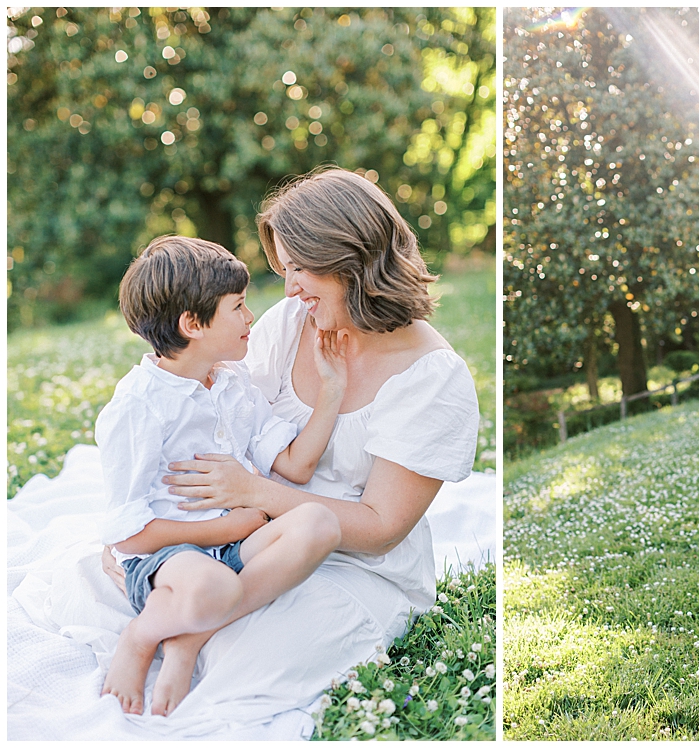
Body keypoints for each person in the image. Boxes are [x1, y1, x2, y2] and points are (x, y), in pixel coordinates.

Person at [100, 167, 480, 728]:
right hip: (249, 537)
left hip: (355, 565)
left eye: (301, 268)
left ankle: (187, 630)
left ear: (351, 259)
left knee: (244, 663)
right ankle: (182, 613)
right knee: (98, 580)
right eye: (285, 269)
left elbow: (381, 529)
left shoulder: (433, 377)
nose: (290, 287)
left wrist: (255, 493)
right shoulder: (291, 322)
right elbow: (225, 421)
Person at [96, 235, 348, 716]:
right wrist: (230, 526)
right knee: (214, 586)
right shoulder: (138, 405)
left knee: (320, 523)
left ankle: (189, 640)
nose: (251, 317)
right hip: (172, 557)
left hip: (230, 548)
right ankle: (141, 635)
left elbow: (295, 465)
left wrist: (332, 390)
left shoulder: (234, 384)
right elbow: (128, 536)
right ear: (192, 324)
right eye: (238, 307)